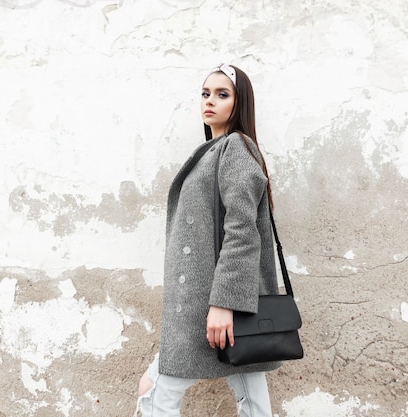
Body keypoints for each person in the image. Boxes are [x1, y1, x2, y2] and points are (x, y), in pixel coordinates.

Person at [135, 64, 281, 416]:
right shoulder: (215, 151)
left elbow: (242, 232)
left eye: (222, 94)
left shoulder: (235, 148)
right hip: (208, 302)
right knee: (253, 401)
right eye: (205, 94)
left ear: (239, 102)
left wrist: (224, 304)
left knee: (157, 391)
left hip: (214, 305)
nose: (210, 101)